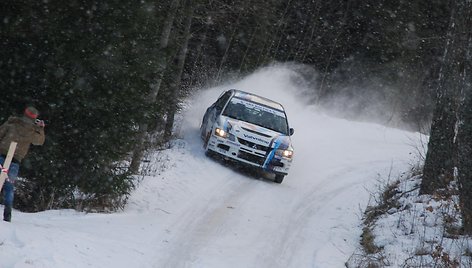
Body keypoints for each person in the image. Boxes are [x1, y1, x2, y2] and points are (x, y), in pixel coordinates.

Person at [0, 106, 45, 222]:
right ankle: (7, 214)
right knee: (9, 187)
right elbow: (39, 141)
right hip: (15, 162)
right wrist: (40, 129)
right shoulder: (32, 131)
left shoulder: (12, 123)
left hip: (1, 156)